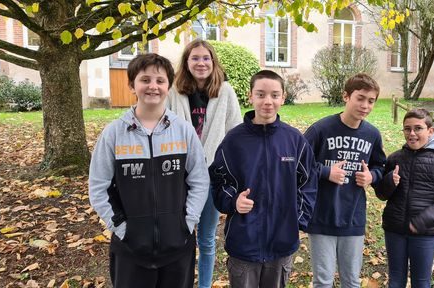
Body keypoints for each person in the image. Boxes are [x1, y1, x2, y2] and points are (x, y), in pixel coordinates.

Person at [88, 53, 210, 288]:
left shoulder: (184, 131)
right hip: (131, 249)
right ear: (132, 85)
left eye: (160, 81)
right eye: (145, 80)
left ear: (168, 86)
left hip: (178, 247)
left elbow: (199, 180)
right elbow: (98, 186)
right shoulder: (114, 134)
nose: (153, 86)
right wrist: (121, 228)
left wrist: (188, 222)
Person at [209, 70, 318, 288]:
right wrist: (234, 201)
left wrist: (298, 219)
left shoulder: (294, 140)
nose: (268, 101)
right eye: (260, 94)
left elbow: (309, 181)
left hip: (281, 242)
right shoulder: (234, 140)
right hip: (244, 243)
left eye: (274, 95)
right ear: (250, 96)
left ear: (283, 97)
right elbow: (218, 180)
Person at [166, 39, 243, 288]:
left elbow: (235, 132)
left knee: (207, 239)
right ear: (187, 63)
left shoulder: (226, 91)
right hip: (180, 176)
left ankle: (205, 285)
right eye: (195, 58)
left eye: (206, 58)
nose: (201, 63)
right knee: (181, 236)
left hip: (212, 176)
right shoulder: (174, 92)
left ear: (213, 62)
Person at [303, 73, 386, 288]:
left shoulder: (372, 134)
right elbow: (298, 165)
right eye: (360, 98)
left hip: (353, 217)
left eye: (371, 101)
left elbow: (380, 166)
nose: (365, 105)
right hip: (321, 216)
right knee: (323, 280)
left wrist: (371, 176)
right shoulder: (320, 129)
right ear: (346, 96)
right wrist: (325, 172)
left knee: (351, 280)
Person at [374, 108, 434, 288]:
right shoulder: (395, 158)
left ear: (430, 131)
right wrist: (390, 182)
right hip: (394, 229)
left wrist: (424, 220)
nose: (412, 133)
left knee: (421, 282)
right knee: (395, 280)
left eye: (418, 128)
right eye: (407, 129)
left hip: (424, 233)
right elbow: (381, 194)